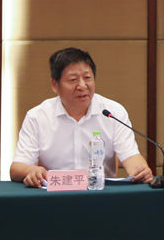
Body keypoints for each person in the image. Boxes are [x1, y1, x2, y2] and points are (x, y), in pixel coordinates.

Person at [10, 47, 154, 187]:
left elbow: (131, 156)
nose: (82, 86)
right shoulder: (37, 116)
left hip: (100, 195)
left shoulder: (113, 112)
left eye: (87, 78)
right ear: (55, 84)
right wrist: (32, 171)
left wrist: (140, 171)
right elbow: (17, 168)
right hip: (54, 196)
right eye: (73, 80)